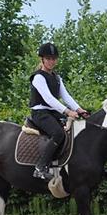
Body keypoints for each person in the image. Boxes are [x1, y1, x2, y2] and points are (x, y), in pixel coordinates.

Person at [29, 42, 88, 180]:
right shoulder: (38, 77)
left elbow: (66, 96)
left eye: (54, 58)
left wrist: (79, 109)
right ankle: (40, 167)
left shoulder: (57, 77)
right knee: (58, 133)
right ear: (42, 59)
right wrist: (68, 112)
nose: (51, 61)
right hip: (40, 113)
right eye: (48, 58)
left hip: (52, 113)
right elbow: (49, 99)